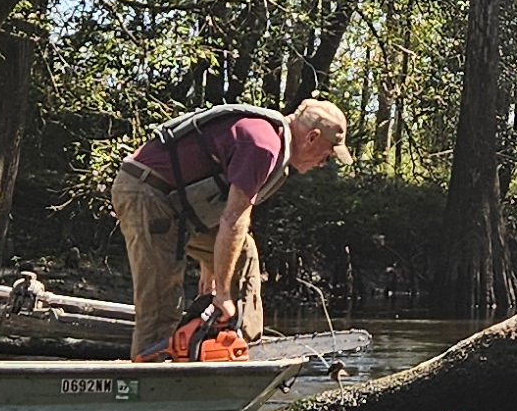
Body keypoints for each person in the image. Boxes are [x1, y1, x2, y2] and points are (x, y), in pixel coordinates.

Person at [110, 96, 349, 359]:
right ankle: (145, 378)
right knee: (162, 299)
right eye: (326, 155)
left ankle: (239, 346)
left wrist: (211, 271)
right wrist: (222, 293)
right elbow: (234, 218)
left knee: (244, 253)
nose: (323, 163)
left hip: (176, 203)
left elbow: (212, 204)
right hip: (146, 193)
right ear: (312, 137)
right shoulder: (263, 145)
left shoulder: (272, 142)